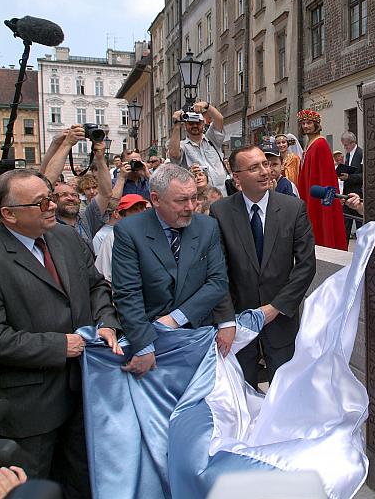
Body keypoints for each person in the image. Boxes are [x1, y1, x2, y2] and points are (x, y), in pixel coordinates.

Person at [0, 169, 121, 498]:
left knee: (81, 483)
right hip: (29, 409)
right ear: (8, 214)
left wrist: (107, 321)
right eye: (40, 203)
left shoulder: (65, 237)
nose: (52, 206)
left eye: (51, 197)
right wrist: (59, 346)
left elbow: (97, 287)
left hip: (83, 394)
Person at [111, 163, 232, 377]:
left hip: (198, 338)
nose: (191, 207)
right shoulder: (129, 231)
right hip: (152, 343)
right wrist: (144, 344)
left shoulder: (207, 227)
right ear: (155, 199)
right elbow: (128, 293)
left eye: (194, 198)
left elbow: (217, 282)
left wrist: (175, 319)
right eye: (181, 200)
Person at [210, 144, 316, 385]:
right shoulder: (221, 212)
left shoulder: (293, 209)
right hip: (238, 324)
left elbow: (305, 265)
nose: (265, 171)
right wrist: (227, 321)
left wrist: (276, 307)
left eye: (266, 164)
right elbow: (218, 272)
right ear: (237, 177)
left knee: (284, 393)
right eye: (254, 167)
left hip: (281, 320)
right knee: (242, 394)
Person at [296, 109, 348, 250]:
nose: (306, 126)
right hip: (310, 193)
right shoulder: (310, 143)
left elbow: (325, 176)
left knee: (320, 225)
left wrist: (323, 202)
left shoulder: (320, 144)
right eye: (303, 123)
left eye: (309, 123)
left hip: (318, 197)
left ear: (316, 124)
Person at [168, 101, 229, 195]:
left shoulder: (212, 139)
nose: (195, 126)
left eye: (198, 123)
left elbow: (219, 118)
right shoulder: (183, 145)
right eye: (191, 123)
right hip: (200, 198)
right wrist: (176, 125)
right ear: (185, 126)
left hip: (222, 194)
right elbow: (174, 154)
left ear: (203, 125)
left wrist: (206, 105)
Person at [94, 194, 149, 283]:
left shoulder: (151, 233)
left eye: (142, 208)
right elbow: (105, 275)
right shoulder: (113, 236)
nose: (140, 213)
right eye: (134, 209)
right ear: (122, 214)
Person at [340, 131, 363, 238]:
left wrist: (349, 177)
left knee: (360, 227)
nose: (345, 148)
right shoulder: (348, 155)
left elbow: (364, 176)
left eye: (346, 145)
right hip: (347, 195)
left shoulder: (361, 154)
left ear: (353, 142)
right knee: (345, 228)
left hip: (358, 196)